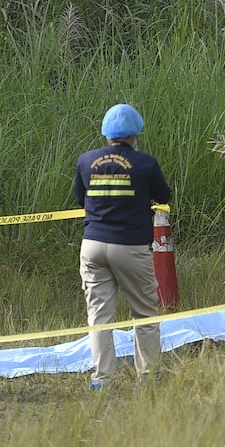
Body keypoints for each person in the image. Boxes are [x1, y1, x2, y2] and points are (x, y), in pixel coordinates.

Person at [73, 103, 172, 389]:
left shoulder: (85, 161)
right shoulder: (145, 163)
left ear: (106, 133)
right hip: (130, 246)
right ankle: (148, 376)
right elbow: (163, 195)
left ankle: (102, 379)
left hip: (92, 245)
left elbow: (81, 200)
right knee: (144, 312)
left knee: (99, 316)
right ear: (135, 133)